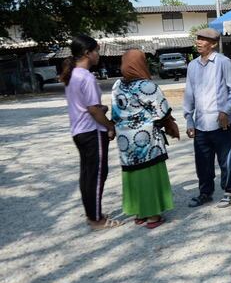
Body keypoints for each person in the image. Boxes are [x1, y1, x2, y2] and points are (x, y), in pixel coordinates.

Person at [111, 49, 180, 229]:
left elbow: (115, 113)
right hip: (146, 139)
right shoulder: (148, 86)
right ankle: (153, 216)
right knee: (149, 173)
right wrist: (171, 127)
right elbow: (162, 111)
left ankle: (140, 212)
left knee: (133, 173)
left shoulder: (117, 85)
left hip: (125, 140)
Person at [61, 34, 121, 230]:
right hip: (91, 131)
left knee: (88, 174)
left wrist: (99, 110)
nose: (98, 55)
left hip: (79, 131)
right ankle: (97, 220)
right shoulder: (86, 77)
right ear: (87, 53)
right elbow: (94, 109)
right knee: (97, 174)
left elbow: (86, 106)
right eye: (96, 51)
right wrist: (110, 126)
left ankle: (92, 213)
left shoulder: (72, 75)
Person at [183, 28, 231, 209]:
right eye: (198, 39)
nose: (199, 42)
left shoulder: (223, 62)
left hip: (221, 122)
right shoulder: (193, 66)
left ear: (213, 44)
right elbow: (189, 94)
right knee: (203, 161)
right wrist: (189, 119)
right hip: (200, 122)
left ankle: (230, 192)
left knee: (226, 159)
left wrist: (225, 111)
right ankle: (205, 193)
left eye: (203, 40)